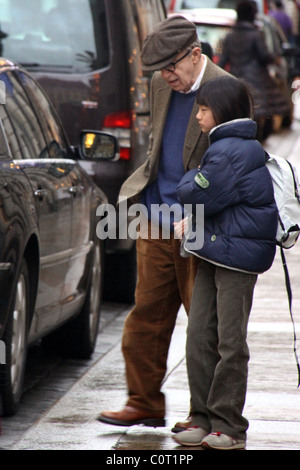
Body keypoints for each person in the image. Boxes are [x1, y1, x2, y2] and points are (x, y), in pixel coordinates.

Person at [97, 15, 229, 430]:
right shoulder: (162, 84)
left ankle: (202, 414)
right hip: (154, 216)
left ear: (195, 54)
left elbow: (233, 169)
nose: (166, 76)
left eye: (171, 67)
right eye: (159, 70)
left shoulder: (225, 90)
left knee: (204, 324)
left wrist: (197, 216)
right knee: (147, 315)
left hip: (199, 223)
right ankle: (144, 401)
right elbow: (159, 143)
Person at [172, 76, 278, 450]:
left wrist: (190, 183)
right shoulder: (225, 147)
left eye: (202, 109)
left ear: (222, 111)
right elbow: (208, 198)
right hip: (214, 249)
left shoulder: (232, 150)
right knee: (199, 334)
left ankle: (229, 426)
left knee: (229, 341)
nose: (198, 116)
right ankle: (201, 417)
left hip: (238, 257)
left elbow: (194, 192)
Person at [218, 0, 291, 141]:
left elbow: (222, 60)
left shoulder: (230, 36)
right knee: (260, 112)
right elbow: (264, 56)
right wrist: (274, 57)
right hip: (257, 79)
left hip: (236, 77)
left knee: (240, 111)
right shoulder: (255, 34)